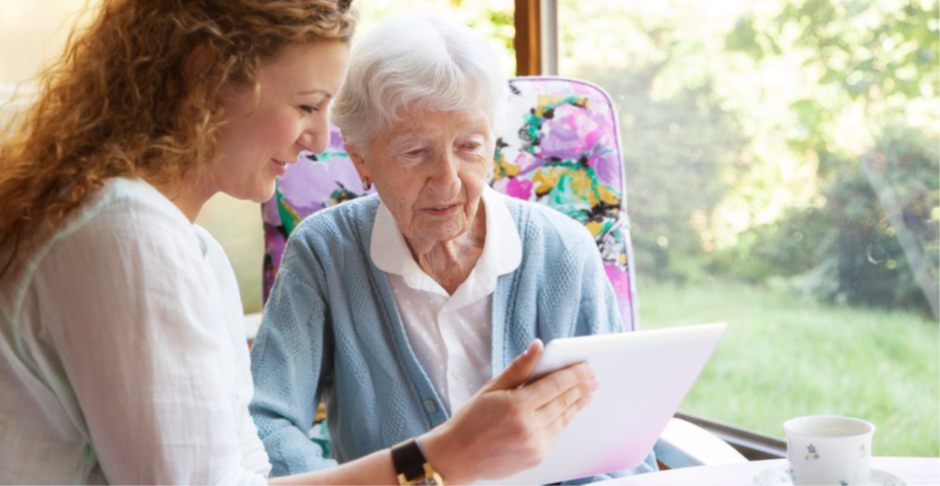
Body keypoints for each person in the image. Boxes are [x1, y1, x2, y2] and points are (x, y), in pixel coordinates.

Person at [0, 1, 599, 484]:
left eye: (470, 144)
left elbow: (246, 470)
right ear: (206, 78)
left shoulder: (189, 250)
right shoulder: (128, 239)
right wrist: (438, 461)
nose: (320, 140)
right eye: (308, 105)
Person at [249, 15, 658, 485]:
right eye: (414, 152)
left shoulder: (564, 252)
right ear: (361, 158)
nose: (447, 180)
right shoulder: (324, 253)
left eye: (469, 146)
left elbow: (616, 451)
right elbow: (264, 422)